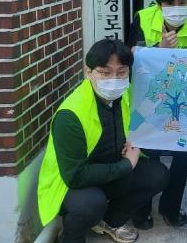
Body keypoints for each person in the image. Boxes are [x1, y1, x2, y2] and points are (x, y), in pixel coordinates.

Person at [37, 39, 168, 243]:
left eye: (121, 72)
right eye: (105, 73)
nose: (114, 80)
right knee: (90, 204)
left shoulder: (125, 96)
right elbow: (75, 176)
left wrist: (133, 143)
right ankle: (72, 237)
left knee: (157, 174)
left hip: (109, 167)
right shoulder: (70, 114)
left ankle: (109, 221)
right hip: (72, 184)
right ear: (88, 72)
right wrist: (127, 164)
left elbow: (145, 113)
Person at [126, 0, 187, 229]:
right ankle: (142, 207)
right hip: (148, 100)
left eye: (182, 2)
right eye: (169, 3)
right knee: (148, 155)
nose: (176, 8)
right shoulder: (143, 18)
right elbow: (130, 57)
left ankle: (171, 206)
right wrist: (159, 49)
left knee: (185, 156)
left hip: (182, 103)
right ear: (159, 4)